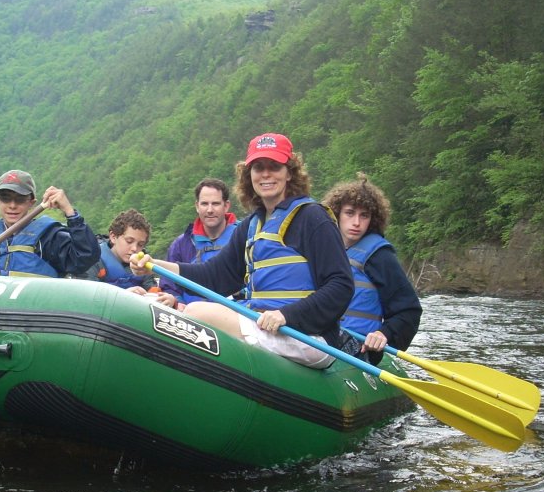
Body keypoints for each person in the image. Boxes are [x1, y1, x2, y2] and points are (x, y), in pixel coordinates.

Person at [131, 133, 353, 369]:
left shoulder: (312, 218)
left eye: (274, 166)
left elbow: (341, 285)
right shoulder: (251, 225)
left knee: (196, 311)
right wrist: (153, 265)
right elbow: (213, 276)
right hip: (265, 326)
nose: (266, 174)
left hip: (308, 337)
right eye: (258, 167)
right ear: (250, 176)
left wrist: (286, 315)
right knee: (156, 302)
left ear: (289, 172)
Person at [322, 173, 422, 365]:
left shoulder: (380, 257)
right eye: (350, 213)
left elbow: (409, 310)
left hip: (358, 349)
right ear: (337, 214)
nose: (357, 222)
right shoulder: (321, 250)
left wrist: (383, 333)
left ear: (372, 219)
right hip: (319, 340)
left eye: (364, 215)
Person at [0, 169, 100, 277]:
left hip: (36, 316)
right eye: (5, 198)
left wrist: (69, 211)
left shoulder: (48, 238)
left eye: (20, 199)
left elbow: (85, 258)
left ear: (31, 203)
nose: (12, 205)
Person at [160, 178, 238, 307]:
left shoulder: (243, 237)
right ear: (197, 206)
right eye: (204, 204)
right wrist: (176, 301)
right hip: (190, 318)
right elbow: (169, 286)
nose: (210, 210)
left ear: (226, 206)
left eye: (216, 203)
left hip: (233, 315)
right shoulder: (181, 244)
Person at [84, 209, 178, 306]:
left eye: (140, 244)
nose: (134, 248)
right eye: (129, 241)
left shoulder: (142, 264)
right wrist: (122, 295)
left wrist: (169, 299)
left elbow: (153, 290)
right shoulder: (93, 259)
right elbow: (86, 294)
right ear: (113, 237)